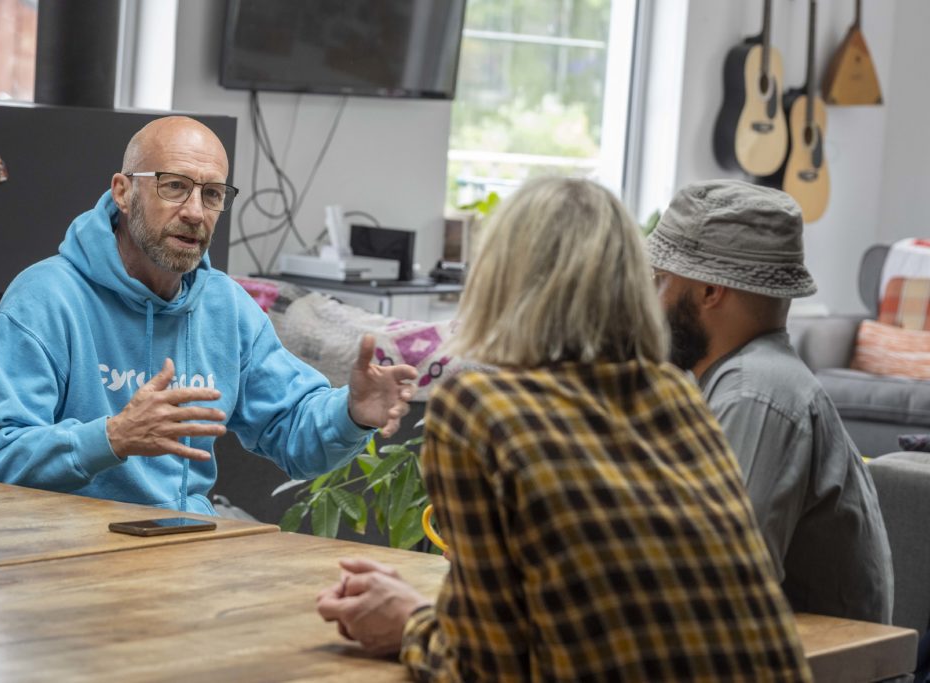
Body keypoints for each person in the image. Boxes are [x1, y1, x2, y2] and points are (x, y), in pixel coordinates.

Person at [316, 177, 811, 681]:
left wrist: (408, 625)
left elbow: (486, 667)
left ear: (499, 278)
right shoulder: (675, 393)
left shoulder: (477, 408)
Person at [0, 116, 417, 515]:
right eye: (175, 187)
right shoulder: (45, 298)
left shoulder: (225, 307)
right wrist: (112, 437)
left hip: (184, 547)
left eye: (212, 194)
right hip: (60, 555)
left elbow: (295, 432)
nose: (195, 212)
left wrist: (353, 413)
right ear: (123, 191)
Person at [646, 178, 892, 623]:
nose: (651, 298)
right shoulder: (739, 379)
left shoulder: (756, 392)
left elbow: (720, 585)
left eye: (661, 280)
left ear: (709, 291)